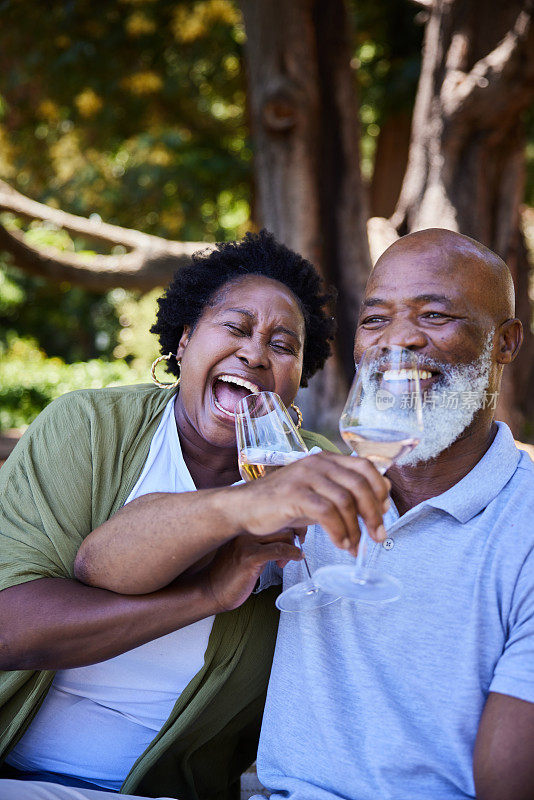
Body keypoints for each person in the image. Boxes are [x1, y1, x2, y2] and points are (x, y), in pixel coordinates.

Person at [0, 229, 391, 800]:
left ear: (299, 379)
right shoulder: (86, 428)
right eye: (235, 328)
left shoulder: (317, 476)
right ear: (183, 342)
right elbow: (11, 629)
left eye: (283, 346)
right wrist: (206, 591)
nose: (255, 352)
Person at [253, 228, 534, 800]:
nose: (398, 340)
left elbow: (507, 781)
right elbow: (107, 564)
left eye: (433, 314)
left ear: (505, 342)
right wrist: (235, 514)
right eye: (376, 319)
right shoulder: (306, 486)